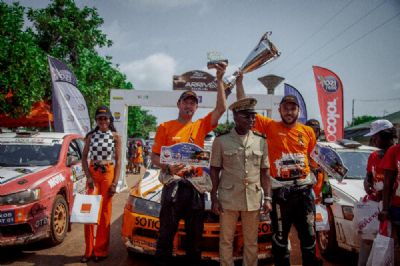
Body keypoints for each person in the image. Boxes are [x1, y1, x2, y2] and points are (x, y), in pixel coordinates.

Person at [235, 74, 321, 266]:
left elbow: (313, 159)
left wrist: (319, 181)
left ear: (298, 111)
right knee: (280, 238)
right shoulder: (270, 126)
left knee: (309, 236)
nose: (289, 112)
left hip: (304, 192)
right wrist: (239, 83)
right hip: (280, 193)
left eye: (293, 108)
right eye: (286, 108)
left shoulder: (307, 132)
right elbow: (245, 106)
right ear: (279, 110)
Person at [151, 63, 227, 266]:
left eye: (193, 103)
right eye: (186, 102)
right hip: (173, 187)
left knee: (195, 240)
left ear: (196, 107)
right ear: (179, 104)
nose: (189, 106)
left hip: (195, 188)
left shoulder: (201, 125)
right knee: (166, 236)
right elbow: (154, 157)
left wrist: (219, 80)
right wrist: (167, 167)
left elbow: (221, 108)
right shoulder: (165, 127)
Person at [210, 97, 272, 266]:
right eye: (247, 116)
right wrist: (213, 197)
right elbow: (214, 169)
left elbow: (265, 171)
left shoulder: (261, 141)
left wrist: (267, 198)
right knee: (226, 240)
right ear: (236, 116)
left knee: (251, 242)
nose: (252, 120)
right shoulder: (221, 141)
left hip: (252, 198)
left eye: (253, 116)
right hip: (228, 198)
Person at [80, 106, 122, 263]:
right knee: (88, 212)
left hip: (108, 174)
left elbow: (118, 161)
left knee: (105, 213)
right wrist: (89, 177)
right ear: (96, 120)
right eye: (99, 118)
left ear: (110, 120)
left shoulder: (116, 136)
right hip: (93, 174)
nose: (103, 121)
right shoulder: (90, 136)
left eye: (105, 118)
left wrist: (115, 183)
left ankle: (101, 250)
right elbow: (84, 158)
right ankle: (88, 250)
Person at [358, 120, 397, 266]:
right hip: (374, 208)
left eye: (376, 136)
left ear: (386, 136)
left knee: (388, 246)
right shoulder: (373, 156)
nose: (372, 140)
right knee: (367, 243)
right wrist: (367, 183)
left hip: (390, 209)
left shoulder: (396, 155)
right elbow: (368, 176)